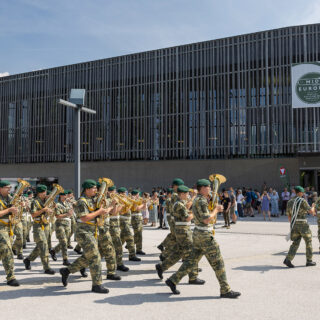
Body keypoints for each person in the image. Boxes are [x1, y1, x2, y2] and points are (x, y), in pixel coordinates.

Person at [165, 179, 240, 298]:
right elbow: (206, 219)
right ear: (203, 188)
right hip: (205, 235)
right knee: (218, 262)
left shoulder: (198, 199)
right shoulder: (201, 201)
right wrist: (216, 210)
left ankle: (173, 280)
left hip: (198, 233)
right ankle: (225, 289)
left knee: (191, 261)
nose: (210, 188)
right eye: (208, 187)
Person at [59, 179, 109, 293]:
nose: (96, 190)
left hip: (92, 231)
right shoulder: (82, 201)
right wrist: (99, 212)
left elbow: (97, 213)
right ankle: (97, 284)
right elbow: (84, 218)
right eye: (94, 188)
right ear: (87, 189)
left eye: (97, 188)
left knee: (89, 257)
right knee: (95, 256)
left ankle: (66, 271)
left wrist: (105, 210)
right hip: (83, 232)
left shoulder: (92, 200)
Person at [155, 185, 204, 285]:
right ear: (181, 194)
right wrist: (195, 213)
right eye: (186, 194)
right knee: (191, 253)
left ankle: (162, 266)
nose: (188, 195)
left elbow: (188, 208)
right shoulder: (179, 204)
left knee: (179, 252)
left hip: (183, 230)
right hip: (183, 231)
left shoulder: (180, 203)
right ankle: (193, 277)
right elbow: (187, 218)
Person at [23, 184, 55, 274]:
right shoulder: (35, 202)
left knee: (40, 247)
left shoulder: (47, 200)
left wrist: (51, 208)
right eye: (43, 192)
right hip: (38, 225)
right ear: (39, 193)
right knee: (43, 246)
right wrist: (43, 210)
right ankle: (47, 267)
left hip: (46, 225)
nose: (45, 194)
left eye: (45, 192)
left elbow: (51, 210)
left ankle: (28, 259)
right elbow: (33, 214)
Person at [283, 186, 316, 268]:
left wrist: (292, 225)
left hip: (294, 224)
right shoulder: (302, 201)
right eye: (303, 192)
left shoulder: (290, 201)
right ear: (300, 193)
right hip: (303, 225)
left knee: (295, 242)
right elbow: (311, 212)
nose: (303, 193)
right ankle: (309, 260)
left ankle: (288, 259)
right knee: (308, 241)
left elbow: (289, 216)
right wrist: (313, 206)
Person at [0, 180, 20, 286]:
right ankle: (11, 277)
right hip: (0, 228)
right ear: (1, 188)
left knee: (2, 252)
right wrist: (9, 210)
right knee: (8, 251)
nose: (9, 189)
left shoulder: (9, 198)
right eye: (7, 187)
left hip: (8, 228)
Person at [108, 186, 129, 272]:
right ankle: (119, 264)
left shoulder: (114, 200)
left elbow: (121, 212)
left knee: (106, 248)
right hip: (111, 224)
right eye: (113, 191)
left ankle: (84, 263)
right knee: (118, 245)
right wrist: (119, 205)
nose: (115, 193)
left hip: (116, 223)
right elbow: (113, 213)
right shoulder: (109, 200)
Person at [50, 191, 73, 266]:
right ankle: (65, 259)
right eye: (64, 196)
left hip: (68, 224)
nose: (66, 197)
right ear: (61, 196)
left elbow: (71, 212)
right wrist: (67, 214)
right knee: (64, 241)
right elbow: (57, 216)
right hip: (60, 224)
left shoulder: (68, 203)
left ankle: (54, 251)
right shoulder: (58, 204)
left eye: (66, 195)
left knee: (65, 242)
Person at [118, 187, 141, 262]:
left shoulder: (126, 199)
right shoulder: (119, 201)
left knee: (122, 238)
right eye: (125, 193)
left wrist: (133, 202)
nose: (126, 194)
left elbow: (134, 209)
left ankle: (114, 250)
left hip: (128, 220)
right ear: (121, 193)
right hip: (123, 220)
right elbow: (122, 212)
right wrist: (130, 205)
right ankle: (132, 255)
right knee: (130, 238)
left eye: (126, 193)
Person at [130, 189, 146, 255]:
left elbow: (144, 209)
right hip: (135, 218)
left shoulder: (138, 200)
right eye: (138, 194)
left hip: (139, 217)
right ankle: (138, 249)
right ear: (135, 194)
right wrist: (142, 204)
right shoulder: (132, 200)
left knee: (139, 234)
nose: (139, 196)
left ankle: (132, 244)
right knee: (138, 234)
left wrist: (144, 204)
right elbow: (137, 208)